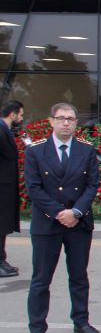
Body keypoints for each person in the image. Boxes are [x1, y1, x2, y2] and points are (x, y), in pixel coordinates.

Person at [24, 103, 101, 333]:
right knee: (41, 279)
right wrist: (60, 213)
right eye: (61, 118)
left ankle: (81, 321)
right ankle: (36, 328)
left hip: (78, 224)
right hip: (48, 224)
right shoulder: (36, 151)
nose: (66, 122)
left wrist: (76, 212)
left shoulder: (86, 150)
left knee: (79, 276)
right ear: (51, 121)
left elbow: (92, 184)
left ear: (76, 123)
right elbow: (34, 188)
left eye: (70, 119)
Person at [0, 99, 24, 277]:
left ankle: (2, 259)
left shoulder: (5, 130)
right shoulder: (1, 130)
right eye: (21, 114)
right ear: (13, 113)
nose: (22, 118)